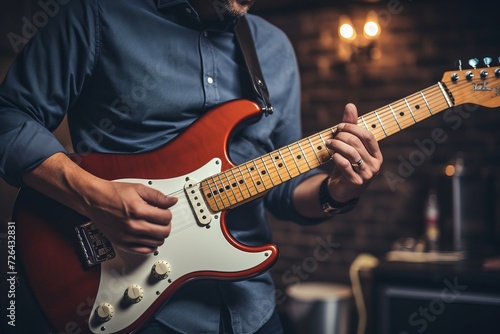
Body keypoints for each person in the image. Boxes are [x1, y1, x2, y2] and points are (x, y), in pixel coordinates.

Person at [0, 0, 383, 333]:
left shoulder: (274, 49)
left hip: (252, 310)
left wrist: (337, 192)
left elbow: (282, 191)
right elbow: (10, 116)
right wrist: (95, 197)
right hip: (135, 308)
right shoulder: (98, 14)